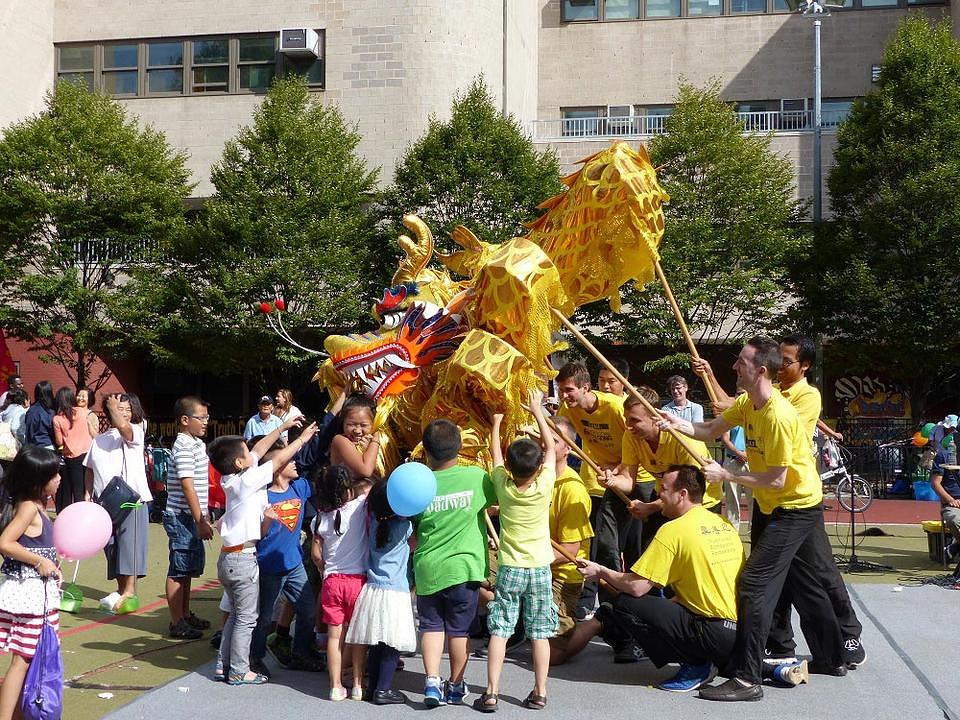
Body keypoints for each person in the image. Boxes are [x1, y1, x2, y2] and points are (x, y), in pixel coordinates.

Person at [661, 337, 845, 701]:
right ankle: (832, 657)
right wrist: (675, 424)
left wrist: (726, 476)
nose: (734, 368)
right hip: (773, 504)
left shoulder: (778, 416)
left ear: (761, 370)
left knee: (754, 585)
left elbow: (778, 478)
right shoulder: (748, 403)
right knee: (805, 583)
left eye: (740, 362)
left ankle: (746, 679)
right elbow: (709, 430)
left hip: (794, 507)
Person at [566, 465, 750, 693]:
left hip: (711, 633)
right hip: (738, 632)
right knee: (664, 601)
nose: (658, 494)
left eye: (664, 489)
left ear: (682, 494)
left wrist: (601, 571)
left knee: (625, 603)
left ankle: (695, 664)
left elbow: (636, 587)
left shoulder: (673, 530)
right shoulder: (723, 524)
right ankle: (733, 663)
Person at [209, 416, 315, 686]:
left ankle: (224, 665)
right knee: (247, 618)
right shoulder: (247, 482)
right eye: (246, 451)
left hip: (229, 557)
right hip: (243, 559)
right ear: (238, 463)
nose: (252, 452)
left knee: (235, 615)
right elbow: (276, 461)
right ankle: (239, 670)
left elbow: (258, 452)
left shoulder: (235, 478)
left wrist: (281, 428)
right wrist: (302, 440)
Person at [477, 393, 557, 712]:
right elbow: (551, 448)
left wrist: (496, 424)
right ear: (538, 466)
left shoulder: (504, 487)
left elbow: (495, 456)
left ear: (510, 466)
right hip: (539, 567)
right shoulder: (545, 484)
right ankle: (539, 691)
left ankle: (492, 691)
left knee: (500, 629)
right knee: (540, 632)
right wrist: (538, 411)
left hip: (509, 566)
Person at [415, 419, 495, 708]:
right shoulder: (476, 477)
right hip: (464, 570)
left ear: (426, 450)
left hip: (428, 567)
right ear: (460, 448)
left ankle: (432, 682)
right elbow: (499, 499)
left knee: (431, 626)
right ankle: (456, 685)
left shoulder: (419, 483)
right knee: (459, 631)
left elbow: (410, 525)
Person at [556, 361, 639, 638]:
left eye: (568, 391)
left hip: (635, 479)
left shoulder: (615, 407)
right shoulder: (568, 408)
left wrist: (618, 472)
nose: (564, 397)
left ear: (585, 387)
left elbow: (634, 447)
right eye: (560, 391)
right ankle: (604, 610)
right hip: (602, 482)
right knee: (603, 544)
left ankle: (628, 614)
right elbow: (557, 432)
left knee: (630, 549)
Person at [604, 388, 719, 552]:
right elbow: (628, 481)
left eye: (634, 420)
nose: (627, 426)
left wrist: (651, 507)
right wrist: (613, 481)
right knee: (650, 551)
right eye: (626, 419)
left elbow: (691, 492)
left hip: (698, 502)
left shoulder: (683, 441)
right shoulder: (631, 437)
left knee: (688, 553)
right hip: (665, 498)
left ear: (655, 418)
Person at [248, 439, 325, 678]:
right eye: (288, 459)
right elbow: (257, 533)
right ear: (276, 466)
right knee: (264, 617)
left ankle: (300, 651)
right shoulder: (260, 496)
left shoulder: (299, 487)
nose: (294, 463)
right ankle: (255, 657)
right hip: (269, 567)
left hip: (294, 564)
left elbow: (312, 458)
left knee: (308, 611)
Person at [0, 447, 62, 720]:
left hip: (39, 592)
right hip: (28, 594)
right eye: (53, 474)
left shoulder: (36, 506)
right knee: (22, 659)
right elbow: (5, 543)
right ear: (38, 481)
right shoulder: (27, 508)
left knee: (31, 657)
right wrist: (39, 561)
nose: (59, 478)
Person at [344, 481, 417, 705]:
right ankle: (383, 690)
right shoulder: (405, 528)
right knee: (392, 642)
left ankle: (375, 686)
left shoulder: (373, 522)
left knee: (376, 641)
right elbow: (414, 544)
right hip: (394, 592)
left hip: (373, 589)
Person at [84, 393, 153, 611]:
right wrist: (87, 495)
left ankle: (130, 591)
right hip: (104, 502)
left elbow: (124, 428)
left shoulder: (136, 430)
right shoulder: (100, 439)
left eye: (127, 408)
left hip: (131, 499)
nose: (122, 412)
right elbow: (89, 469)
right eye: (118, 408)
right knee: (112, 547)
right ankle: (121, 589)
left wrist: (114, 408)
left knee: (129, 545)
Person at [311, 464, 370, 701]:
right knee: (356, 637)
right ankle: (357, 683)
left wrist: (322, 567)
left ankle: (335, 686)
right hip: (357, 581)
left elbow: (316, 554)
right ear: (347, 489)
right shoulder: (359, 508)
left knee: (334, 637)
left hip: (331, 582)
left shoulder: (319, 519)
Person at [162, 396, 214, 640]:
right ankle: (177, 622)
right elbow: (187, 486)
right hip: (182, 516)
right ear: (185, 420)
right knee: (179, 568)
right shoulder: (183, 447)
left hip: (190, 517)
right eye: (201, 418)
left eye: (206, 417)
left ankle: (184, 613)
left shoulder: (196, 444)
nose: (206, 422)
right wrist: (200, 520)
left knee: (188, 568)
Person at [544, 415, 594, 666]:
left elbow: (569, 551)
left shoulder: (573, 489)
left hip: (562, 574)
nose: (544, 445)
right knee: (473, 574)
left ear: (567, 449)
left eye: (552, 441)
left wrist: (527, 564)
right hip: (536, 565)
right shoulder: (532, 475)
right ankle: (526, 622)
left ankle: (599, 622)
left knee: (550, 658)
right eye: (540, 437)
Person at [52, 386, 96, 512]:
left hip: (70, 456)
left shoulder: (57, 419)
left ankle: (68, 517)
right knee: (82, 489)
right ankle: (82, 515)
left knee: (68, 489)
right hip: (87, 454)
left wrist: (62, 447)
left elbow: (59, 442)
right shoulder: (84, 413)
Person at [329, 395, 382, 479]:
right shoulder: (340, 440)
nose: (357, 431)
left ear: (373, 424)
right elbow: (366, 471)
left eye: (363, 425)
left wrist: (367, 450)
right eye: (351, 424)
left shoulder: (377, 443)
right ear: (343, 422)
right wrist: (375, 441)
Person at [930, 426, 960, 561]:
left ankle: (955, 547)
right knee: (954, 519)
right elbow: (935, 483)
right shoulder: (943, 454)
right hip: (952, 501)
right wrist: (950, 499)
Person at [23, 381, 55, 450]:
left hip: (33, 447)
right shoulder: (51, 411)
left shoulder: (31, 410)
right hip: (48, 446)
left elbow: (28, 431)